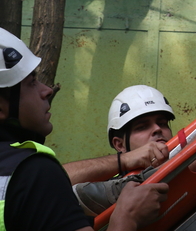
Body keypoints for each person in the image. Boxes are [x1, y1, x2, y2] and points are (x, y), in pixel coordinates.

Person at [0, 28, 167, 231]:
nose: (47, 90)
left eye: (163, 122)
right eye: (32, 83)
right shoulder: (33, 173)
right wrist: (126, 217)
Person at [64, 85, 172, 185]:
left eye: (162, 123)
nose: (157, 129)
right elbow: (53, 180)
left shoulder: (188, 165)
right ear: (120, 145)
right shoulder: (111, 187)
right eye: (142, 127)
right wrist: (125, 160)